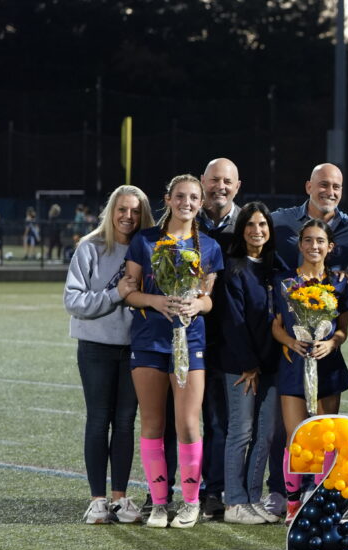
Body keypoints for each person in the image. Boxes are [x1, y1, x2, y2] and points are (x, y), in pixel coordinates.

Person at [122, 174, 225, 528]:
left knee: (188, 423)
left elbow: (208, 299)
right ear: (167, 199)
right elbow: (129, 292)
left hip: (190, 342)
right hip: (150, 339)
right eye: (180, 196)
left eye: (194, 197)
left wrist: (197, 307)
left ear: (201, 202)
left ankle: (191, 502)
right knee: (152, 423)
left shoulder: (209, 246)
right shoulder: (145, 240)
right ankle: (160, 504)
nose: (187, 202)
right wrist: (156, 301)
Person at [65, 185, 157, 524]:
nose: (128, 216)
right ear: (111, 211)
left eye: (135, 211)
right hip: (96, 347)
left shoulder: (147, 248)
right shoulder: (90, 247)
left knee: (124, 423)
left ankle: (120, 498)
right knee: (98, 419)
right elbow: (73, 301)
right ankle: (97, 499)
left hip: (136, 347)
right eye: (122, 209)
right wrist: (115, 294)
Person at [272, 219, 348, 523]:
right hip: (294, 363)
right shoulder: (284, 282)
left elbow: (343, 330)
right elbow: (277, 326)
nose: (314, 246)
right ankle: (293, 502)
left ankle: (319, 497)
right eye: (308, 241)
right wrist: (290, 342)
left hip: (328, 365)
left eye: (320, 241)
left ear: (330, 247)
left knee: (326, 436)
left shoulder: (339, 282)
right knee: (295, 436)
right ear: (300, 245)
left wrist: (332, 344)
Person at [216, 202, 283, 525]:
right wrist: (248, 364)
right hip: (241, 366)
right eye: (251, 225)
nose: (257, 231)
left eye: (263, 225)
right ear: (241, 230)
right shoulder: (234, 267)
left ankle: (253, 499)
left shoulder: (275, 267)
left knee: (266, 434)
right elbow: (234, 320)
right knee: (241, 432)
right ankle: (234, 502)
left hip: (273, 364)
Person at [198, 157, 245, 520]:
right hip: (186, 335)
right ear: (202, 181)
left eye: (227, 181)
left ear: (238, 185)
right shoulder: (181, 220)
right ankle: (167, 490)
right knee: (176, 420)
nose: (220, 187)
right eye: (214, 180)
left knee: (222, 421)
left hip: (230, 339)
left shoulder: (249, 225)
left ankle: (214, 490)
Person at [271, 163, 348, 271]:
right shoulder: (280, 220)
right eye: (324, 185)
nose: (330, 192)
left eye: (336, 187)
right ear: (309, 187)